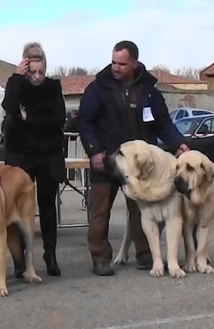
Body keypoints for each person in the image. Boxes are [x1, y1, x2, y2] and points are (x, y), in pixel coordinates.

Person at [78, 40, 189, 276]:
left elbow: (163, 124)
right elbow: (85, 123)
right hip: (106, 160)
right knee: (99, 212)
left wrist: (179, 143)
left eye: (121, 63)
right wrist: (94, 151)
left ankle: (146, 255)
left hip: (139, 165)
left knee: (142, 211)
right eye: (113, 62)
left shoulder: (150, 91)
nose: (115, 67)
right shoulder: (97, 89)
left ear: (134, 63)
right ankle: (100, 258)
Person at [1, 42, 66, 276]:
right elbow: (9, 107)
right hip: (21, 153)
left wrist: (28, 119)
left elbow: (59, 119)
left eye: (41, 71)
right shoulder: (17, 84)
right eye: (33, 72)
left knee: (47, 205)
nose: (37, 77)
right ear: (25, 68)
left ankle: (50, 254)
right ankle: (20, 260)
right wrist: (18, 78)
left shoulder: (53, 87)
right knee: (18, 207)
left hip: (48, 154)